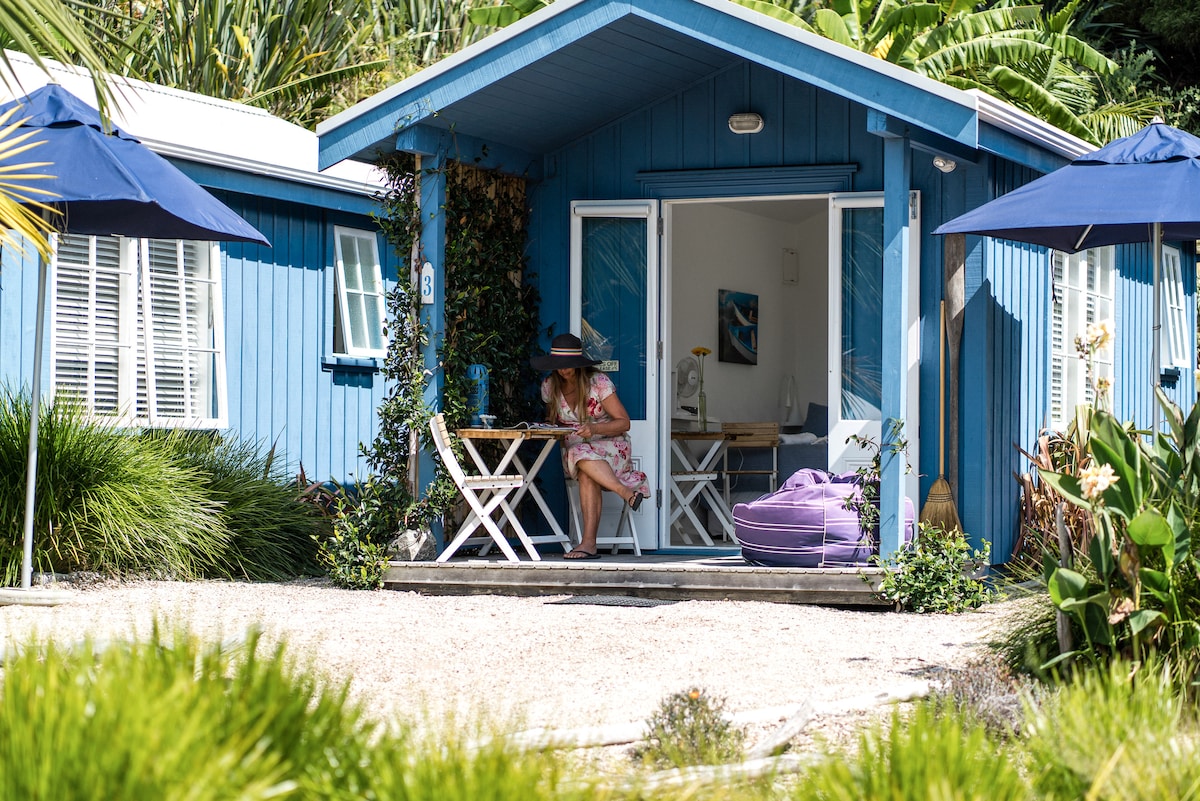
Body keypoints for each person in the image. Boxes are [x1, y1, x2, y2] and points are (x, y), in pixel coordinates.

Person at [531, 333, 649, 560]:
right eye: (559, 365)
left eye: (569, 366)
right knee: (583, 466)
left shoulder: (598, 383)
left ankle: (588, 543)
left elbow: (624, 422)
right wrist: (549, 427)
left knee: (580, 459)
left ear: (578, 364)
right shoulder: (549, 386)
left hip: (611, 447)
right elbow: (553, 420)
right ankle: (622, 498)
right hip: (577, 452)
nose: (563, 370)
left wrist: (594, 429)